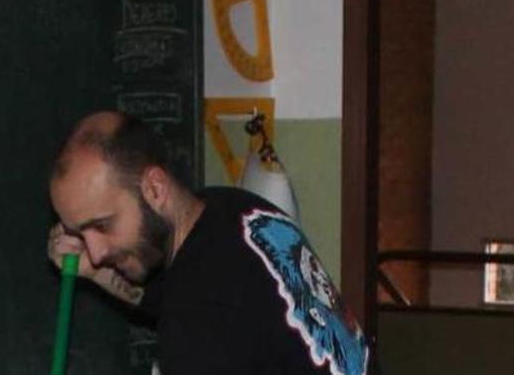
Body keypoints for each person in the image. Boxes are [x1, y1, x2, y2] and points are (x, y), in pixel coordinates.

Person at [45, 111, 371, 375]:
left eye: (102, 225)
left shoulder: (200, 328)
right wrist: (98, 274)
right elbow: (174, 293)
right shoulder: (235, 210)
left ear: (155, 188)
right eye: (80, 233)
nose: (97, 251)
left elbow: (203, 310)